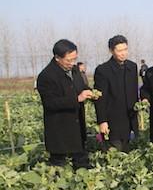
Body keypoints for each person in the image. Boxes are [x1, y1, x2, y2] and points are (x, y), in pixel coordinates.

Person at [37, 39, 93, 168]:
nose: (72, 63)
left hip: (77, 128)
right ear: (57, 57)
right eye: (69, 60)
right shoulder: (46, 76)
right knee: (59, 167)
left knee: (83, 166)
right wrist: (77, 99)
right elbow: (50, 103)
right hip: (59, 129)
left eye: (75, 59)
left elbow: (82, 87)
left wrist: (90, 92)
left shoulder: (75, 71)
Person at [94, 35, 139, 152]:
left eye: (125, 49)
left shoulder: (132, 67)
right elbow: (100, 99)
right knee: (114, 153)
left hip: (130, 118)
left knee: (129, 153)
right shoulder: (103, 70)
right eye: (119, 51)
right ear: (111, 51)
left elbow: (134, 91)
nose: (123, 53)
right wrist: (102, 121)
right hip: (113, 120)